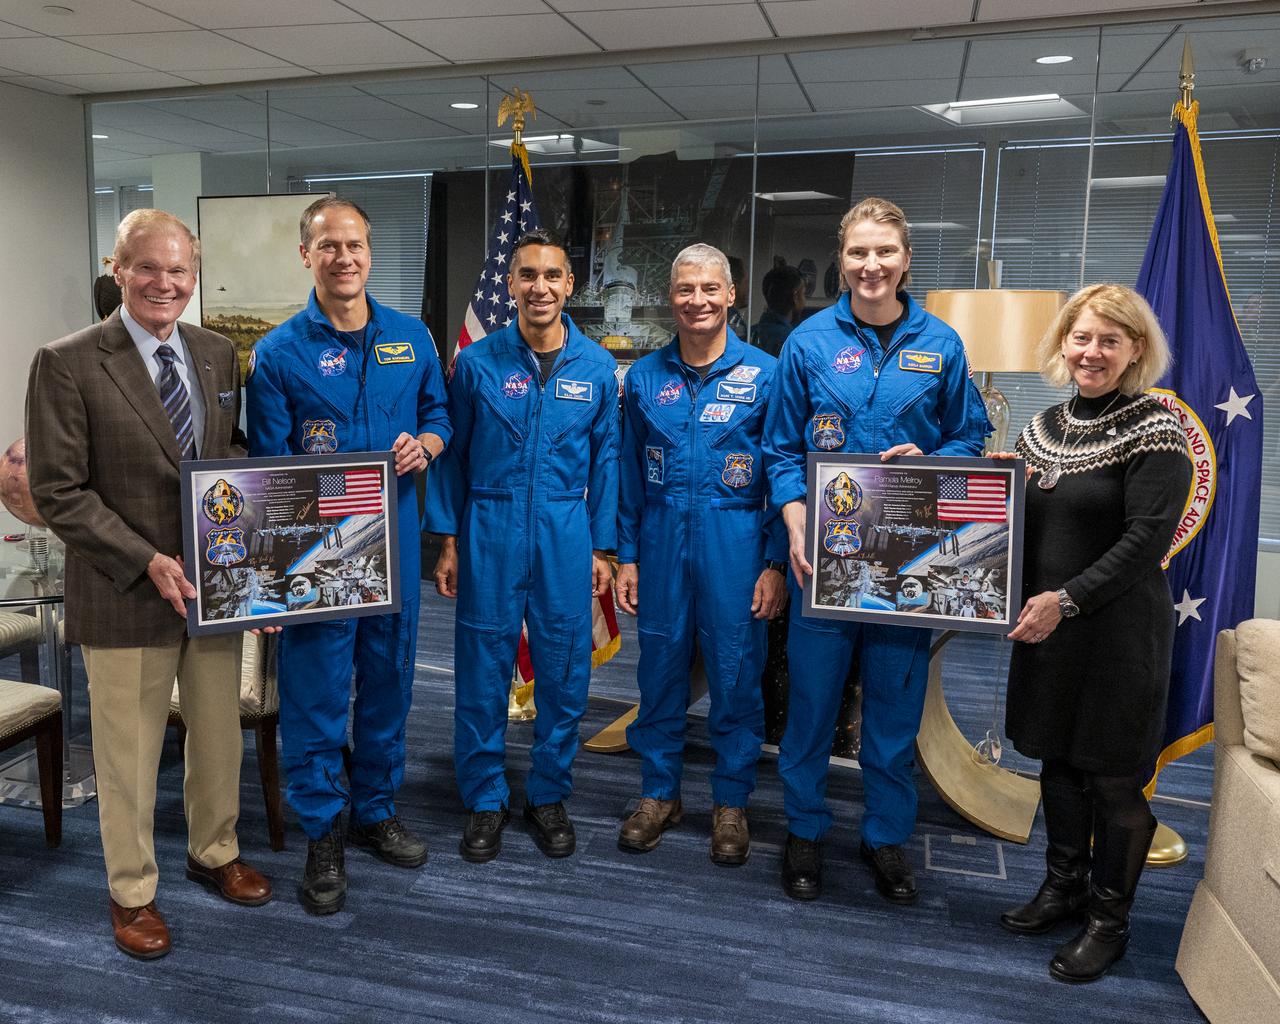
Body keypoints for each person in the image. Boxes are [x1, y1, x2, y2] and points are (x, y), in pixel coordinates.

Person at [26, 209, 272, 960]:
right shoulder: (66, 361)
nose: (165, 283)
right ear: (118, 268)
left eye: (180, 272)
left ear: (193, 279)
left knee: (218, 734)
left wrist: (266, 561)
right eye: (149, 268)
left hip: (213, 587)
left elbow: (226, 456)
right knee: (128, 755)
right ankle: (131, 891)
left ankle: (215, 850)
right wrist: (145, 558)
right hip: (125, 588)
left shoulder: (216, 353)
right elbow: (59, 489)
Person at [762, 196, 990, 905]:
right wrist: (794, 523)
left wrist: (932, 453)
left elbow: (970, 440)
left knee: (893, 709)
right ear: (841, 258)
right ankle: (804, 827)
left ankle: (886, 836)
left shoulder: (942, 345)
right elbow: (777, 450)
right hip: (820, 558)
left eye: (884, 252)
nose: (871, 266)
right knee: (813, 704)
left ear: (906, 260)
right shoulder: (806, 343)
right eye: (858, 253)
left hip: (906, 564)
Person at [247, 196, 450, 915]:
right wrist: (270, 584)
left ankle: (375, 810)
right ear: (307, 255)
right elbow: (268, 472)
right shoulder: (278, 352)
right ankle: (322, 832)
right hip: (318, 553)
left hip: (393, 543)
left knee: (390, 684)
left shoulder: (411, 337)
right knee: (319, 696)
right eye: (328, 245)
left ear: (371, 252)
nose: (344, 257)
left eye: (355, 244)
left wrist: (425, 444)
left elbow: (438, 414)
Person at [998, 283, 1191, 984]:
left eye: (1110, 340)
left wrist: (1064, 600)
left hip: (1115, 635)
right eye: (1082, 337)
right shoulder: (1042, 426)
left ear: (1137, 350)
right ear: (1063, 343)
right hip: (1050, 633)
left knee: (1111, 782)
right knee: (1056, 765)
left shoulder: (1156, 427)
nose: (1092, 352)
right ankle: (1064, 888)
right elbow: (1008, 524)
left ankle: (1110, 923)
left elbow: (1146, 541)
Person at [426, 228, 619, 864]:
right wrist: (449, 539)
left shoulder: (596, 368)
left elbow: (608, 459)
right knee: (482, 665)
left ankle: (547, 793)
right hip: (490, 522)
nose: (540, 287)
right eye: (527, 275)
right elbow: (450, 457)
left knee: (564, 668)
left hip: (566, 528)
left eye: (552, 276)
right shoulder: (478, 364)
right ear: (510, 285)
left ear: (570, 286)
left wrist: (604, 546)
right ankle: (484, 797)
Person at [615, 244, 786, 864]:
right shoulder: (643, 377)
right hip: (661, 540)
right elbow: (628, 475)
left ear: (732, 294)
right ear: (671, 297)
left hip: (735, 540)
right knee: (659, 670)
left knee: (737, 675)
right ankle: (660, 794)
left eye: (710, 289)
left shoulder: (766, 374)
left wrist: (773, 561)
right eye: (686, 290)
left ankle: (731, 801)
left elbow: (782, 473)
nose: (698, 301)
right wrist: (627, 555)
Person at [750, 259, 805, 357]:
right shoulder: (793, 341)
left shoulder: (751, 333)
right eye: (803, 294)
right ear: (795, 297)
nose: (804, 301)